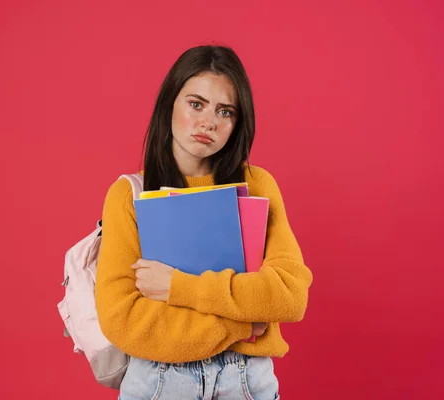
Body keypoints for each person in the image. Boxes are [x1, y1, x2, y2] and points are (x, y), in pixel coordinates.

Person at [94, 45, 313, 400]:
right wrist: (243, 321)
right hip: (159, 383)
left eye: (224, 111)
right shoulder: (128, 195)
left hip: (245, 382)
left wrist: (178, 288)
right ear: (170, 103)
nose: (208, 122)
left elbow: (289, 296)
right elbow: (123, 320)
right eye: (196, 104)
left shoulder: (257, 186)